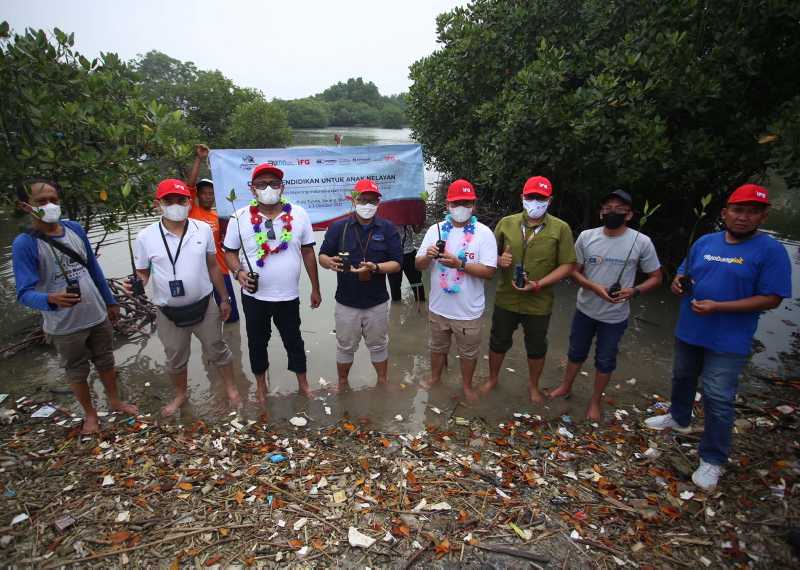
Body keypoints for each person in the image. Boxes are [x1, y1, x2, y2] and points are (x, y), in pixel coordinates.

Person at [645, 183, 791, 491]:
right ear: (725, 213)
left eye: (752, 212)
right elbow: (684, 274)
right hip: (690, 328)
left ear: (763, 216)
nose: (743, 218)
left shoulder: (771, 251)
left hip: (730, 339)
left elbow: (773, 298)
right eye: (738, 210)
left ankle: (712, 458)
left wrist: (720, 307)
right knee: (682, 376)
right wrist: (678, 284)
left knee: (718, 396)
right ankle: (678, 416)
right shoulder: (705, 242)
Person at [13, 180, 138, 434]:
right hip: (64, 324)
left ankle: (115, 401)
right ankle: (90, 415)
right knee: (76, 370)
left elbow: (93, 268)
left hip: (96, 313)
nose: (49, 206)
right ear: (26, 206)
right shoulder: (25, 244)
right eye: (41, 202)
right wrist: (50, 299)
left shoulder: (74, 229)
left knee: (106, 360)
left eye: (53, 200)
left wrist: (110, 301)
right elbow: (24, 293)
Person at [549, 189, 662, 420]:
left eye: (620, 209)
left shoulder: (641, 242)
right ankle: (566, 386)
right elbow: (573, 272)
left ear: (629, 215)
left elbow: (656, 277)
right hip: (585, 308)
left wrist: (635, 291)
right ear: (601, 213)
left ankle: (595, 401)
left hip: (615, 315)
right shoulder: (587, 237)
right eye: (608, 208)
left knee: (605, 359)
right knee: (576, 352)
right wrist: (594, 287)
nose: (613, 212)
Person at [131, 179, 242, 415]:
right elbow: (143, 272)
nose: (175, 205)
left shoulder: (202, 229)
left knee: (218, 350)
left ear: (188, 202)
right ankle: (181, 395)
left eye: (180, 200)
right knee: (175, 358)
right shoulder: (145, 236)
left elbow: (213, 266)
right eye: (168, 201)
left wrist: (224, 299)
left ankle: (232, 389)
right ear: (157, 204)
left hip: (205, 305)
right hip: (167, 311)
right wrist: (136, 283)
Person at [223, 163, 321, 402]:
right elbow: (228, 252)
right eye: (261, 184)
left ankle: (303, 384)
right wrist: (238, 272)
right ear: (252, 189)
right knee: (257, 342)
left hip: (288, 296)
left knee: (294, 340)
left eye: (273, 183)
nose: (268, 188)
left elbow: (308, 252)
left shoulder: (299, 214)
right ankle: (260, 387)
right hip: (254, 296)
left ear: (282, 186)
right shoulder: (239, 216)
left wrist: (316, 289)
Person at [483, 176, 576, 403]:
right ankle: (492, 379)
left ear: (550, 200)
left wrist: (540, 284)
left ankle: (533, 386)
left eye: (540, 198)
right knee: (498, 340)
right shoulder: (506, 223)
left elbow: (568, 265)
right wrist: (498, 259)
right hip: (506, 297)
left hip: (539, 300)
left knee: (536, 345)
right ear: (522, 197)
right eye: (531, 196)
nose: (535, 201)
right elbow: (487, 257)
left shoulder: (561, 228)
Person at [415, 179, 497, 401]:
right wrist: (428, 256)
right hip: (439, 307)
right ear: (447, 205)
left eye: (466, 202)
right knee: (437, 346)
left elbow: (489, 271)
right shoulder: (436, 230)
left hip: (469, 310)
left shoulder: (484, 233)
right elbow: (418, 265)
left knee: (468, 352)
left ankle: (467, 386)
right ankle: (435, 378)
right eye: (456, 202)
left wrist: (460, 264)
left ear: (474, 205)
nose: (461, 207)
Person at [319, 179, 402, 390]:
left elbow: (397, 264)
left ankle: (382, 382)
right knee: (345, 346)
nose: (367, 205)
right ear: (353, 200)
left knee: (379, 345)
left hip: (377, 302)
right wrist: (328, 262)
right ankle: (343, 384)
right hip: (346, 301)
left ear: (378, 203)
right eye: (363, 200)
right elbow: (322, 255)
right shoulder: (338, 227)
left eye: (372, 201)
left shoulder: (388, 228)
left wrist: (376, 267)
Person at [186, 143, 239, 323]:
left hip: (220, 269)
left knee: (231, 317)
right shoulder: (191, 211)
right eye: (204, 193)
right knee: (205, 319)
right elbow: (189, 185)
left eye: (211, 193)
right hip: (197, 272)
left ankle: (233, 347)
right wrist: (199, 159)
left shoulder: (219, 216)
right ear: (198, 196)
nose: (208, 196)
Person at [388, 224, 426, 302]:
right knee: (395, 287)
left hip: (409, 253)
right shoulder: (386, 218)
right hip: (392, 256)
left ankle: (421, 307)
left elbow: (417, 231)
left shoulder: (408, 214)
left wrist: (416, 223)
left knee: (417, 284)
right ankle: (396, 311)